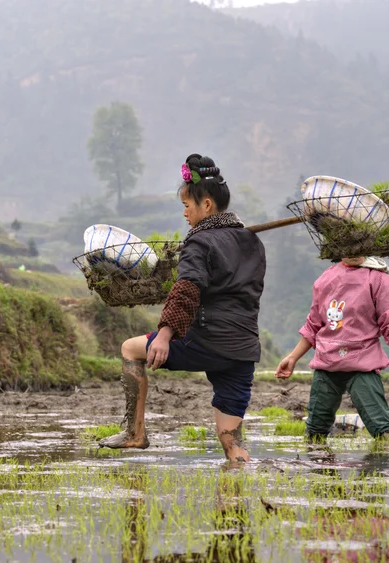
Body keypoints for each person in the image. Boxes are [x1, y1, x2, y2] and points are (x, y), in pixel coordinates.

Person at [99, 153, 266, 462]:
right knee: (233, 445)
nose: (186, 214)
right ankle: (238, 496)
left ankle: (135, 433)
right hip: (242, 349)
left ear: (206, 205)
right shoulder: (251, 242)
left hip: (208, 341)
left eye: (188, 207)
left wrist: (164, 335)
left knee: (130, 349)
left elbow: (187, 289)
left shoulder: (199, 243)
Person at [275, 255, 389, 440]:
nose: (352, 252)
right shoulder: (327, 278)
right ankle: (317, 466)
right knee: (315, 431)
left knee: (382, 429)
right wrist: (293, 357)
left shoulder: (378, 279)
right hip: (327, 364)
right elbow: (314, 325)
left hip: (362, 365)